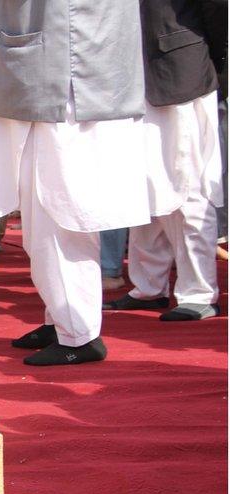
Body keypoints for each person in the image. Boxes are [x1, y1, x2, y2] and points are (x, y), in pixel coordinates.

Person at [0, 0, 149, 365]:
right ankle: (62, 319)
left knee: (58, 212)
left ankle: (77, 332)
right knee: (41, 211)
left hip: (66, 83)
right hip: (57, 73)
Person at [104, 0, 223, 322]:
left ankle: (199, 292)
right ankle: (148, 287)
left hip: (180, 75)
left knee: (188, 188)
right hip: (127, 80)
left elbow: (218, 14)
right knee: (141, 188)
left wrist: (217, 70)